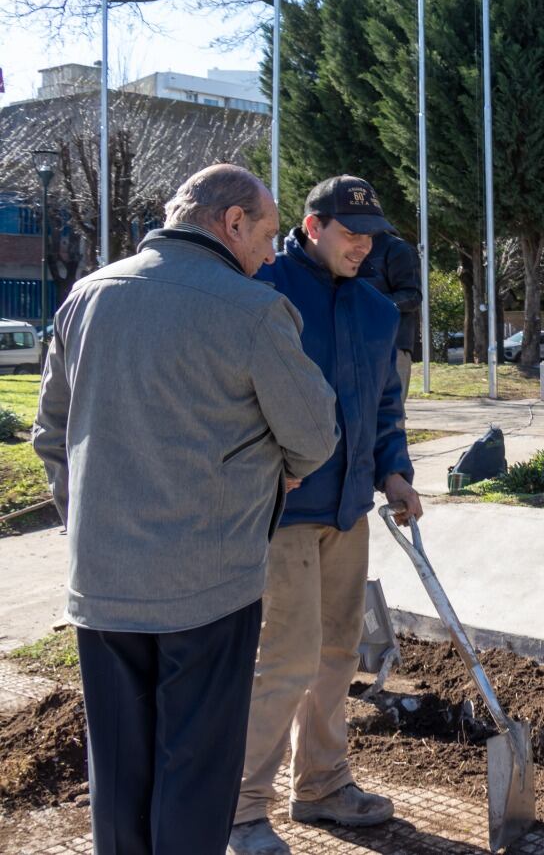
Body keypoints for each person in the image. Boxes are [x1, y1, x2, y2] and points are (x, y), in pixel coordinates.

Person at [32, 164, 339, 855]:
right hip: (210, 585)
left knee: (118, 775)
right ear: (231, 223)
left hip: (102, 584)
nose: (271, 250)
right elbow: (315, 434)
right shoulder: (253, 310)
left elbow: (51, 435)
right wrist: (279, 473)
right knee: (195, 777)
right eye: (264, 231)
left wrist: (85, 524)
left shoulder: (84, 296)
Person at [229, 176, 422, 855]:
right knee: (283, 659)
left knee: (339, 654)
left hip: (349, 509)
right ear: (312, 227)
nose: (363, 246)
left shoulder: (375, 310)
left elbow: (385, 408)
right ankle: (243, 809)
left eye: (371, 235)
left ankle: (321, 785)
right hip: (278, 510)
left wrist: (394, 470)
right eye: (349, 232)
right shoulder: (263, 287)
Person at [360, 230, 423, 402]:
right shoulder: (344, 248)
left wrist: (370, 303)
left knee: (392, 416)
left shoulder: (397, 249)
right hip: (354, 345)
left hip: (392, 346)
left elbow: (412, 297)